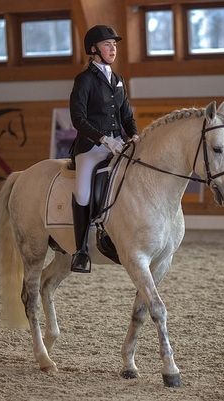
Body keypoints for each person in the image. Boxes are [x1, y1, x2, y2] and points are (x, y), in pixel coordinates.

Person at [69, 25, 139, 273]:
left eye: (115, 44)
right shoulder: (85, 79)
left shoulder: (118, 80)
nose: (113, 49)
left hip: (119, 146)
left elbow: (127, 117)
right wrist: (104, 139)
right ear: (93, 49)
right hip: (91, 148)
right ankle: (80, 251)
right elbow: (78, 119)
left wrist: (135, 136)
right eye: (108, 44)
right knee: (83, 193)